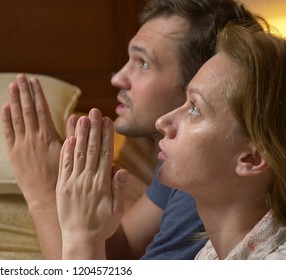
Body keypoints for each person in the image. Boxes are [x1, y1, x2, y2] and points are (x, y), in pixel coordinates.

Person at [1, 0, 262, 259]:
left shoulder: (209, 187)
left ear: (201, 78)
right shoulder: (178, 164)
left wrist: (41, 192)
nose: (118, 78)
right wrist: (72, 192)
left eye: (143, 63)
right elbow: (124, 247)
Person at [58, 23, 286, 260]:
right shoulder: (211, 255)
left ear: (252, 158)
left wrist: (80, 235)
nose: (163, 122)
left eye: (195, 108)